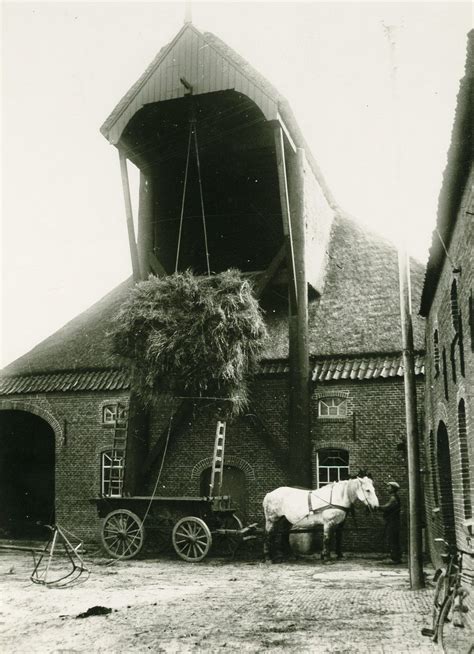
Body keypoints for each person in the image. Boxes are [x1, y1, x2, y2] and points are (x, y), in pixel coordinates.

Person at [379, 481, 401, 563]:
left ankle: (395, 558)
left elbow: (386, 507)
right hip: (393, 521)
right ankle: (396, 557)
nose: (387, 488)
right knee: (393, 539)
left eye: (389, 487)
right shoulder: (394, 497)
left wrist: (377, 507)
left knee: (392, 539)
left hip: (393, 522)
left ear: (393, 488)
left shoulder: (393, 498)